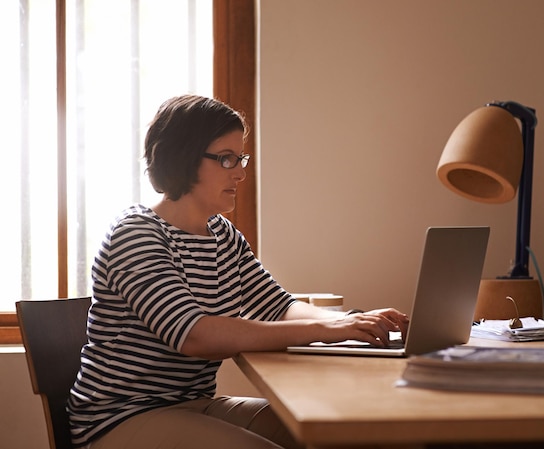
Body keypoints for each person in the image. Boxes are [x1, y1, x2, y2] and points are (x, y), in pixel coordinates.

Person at [67, 94, 409, 449]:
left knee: (342, 434)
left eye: (239, 158)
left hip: (195, 406)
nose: (241, 172)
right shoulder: (136, 233)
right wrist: (327, 328)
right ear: (183, 157)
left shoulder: (222, 234)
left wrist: (354, 322)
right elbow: (195, 335)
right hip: (120, 418)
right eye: (226, 159)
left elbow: (278, 306)